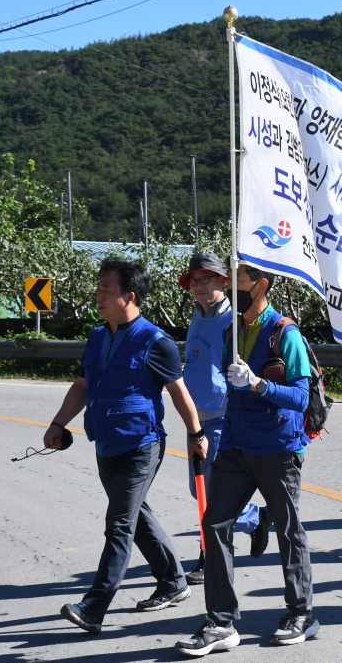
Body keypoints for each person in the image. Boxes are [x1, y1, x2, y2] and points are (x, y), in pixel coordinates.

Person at [44, 257, 205, 634]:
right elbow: (83, 387)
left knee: (119, 524)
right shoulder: (98, 337)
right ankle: (173, 581)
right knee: (137, 518)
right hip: (106, 445)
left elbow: (179, 393)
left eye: (106, 290)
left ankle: (94, 606)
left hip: (141, 446)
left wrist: (197, 436)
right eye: (98, 289)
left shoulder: (155, 341)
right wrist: (57, 423)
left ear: (129, 296)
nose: (98, 296)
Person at [175, 264, 318, 656]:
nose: (232, 288)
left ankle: (302, 613)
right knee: (214, 523)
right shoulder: (230, 331)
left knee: (289, 530)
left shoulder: (284, 332)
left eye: (239, 281)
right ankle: (221, 622)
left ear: (261, 286)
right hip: (236, 445)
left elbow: (301, 398)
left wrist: (258, 383)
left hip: (276, 446)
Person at [178, 254, 268, 586]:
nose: (200, 286)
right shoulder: (198, 315)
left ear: (223, 281)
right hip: (196, 415)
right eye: (195, 281)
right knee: (198, 488)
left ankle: (209, 557)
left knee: (209, 492)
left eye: (207, 279)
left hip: (220, 415)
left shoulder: (233, 318)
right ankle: (255, 518)